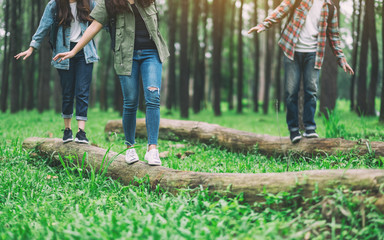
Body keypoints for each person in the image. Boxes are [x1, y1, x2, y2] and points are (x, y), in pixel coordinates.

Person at [54, 0, 169, 166]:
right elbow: (94, 26)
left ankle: (152, 149)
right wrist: (74, 50)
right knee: (130, 102)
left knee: (153, 99)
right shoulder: (110, 2)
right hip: (125, 56)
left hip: (152, 54)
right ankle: (130, 147)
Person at [248, 0, 354, 143]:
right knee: (292, 91)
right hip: (292, 49)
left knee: (312, 90)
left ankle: (310, 128)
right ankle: (293, 129)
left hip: (313, 53)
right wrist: (264, 24)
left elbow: (334, 36)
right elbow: (282, 9)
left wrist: (341, 59)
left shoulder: (330, 8)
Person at [15, 0, 99, 144]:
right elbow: (43, 26)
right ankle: (67, 130)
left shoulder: (90, 3)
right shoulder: (54, 5)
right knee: (67, 92)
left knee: (82, 91)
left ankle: (81, 132)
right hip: (63, 52)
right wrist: (32, 47)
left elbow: (103, 21)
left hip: (85, 53)